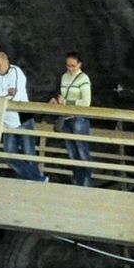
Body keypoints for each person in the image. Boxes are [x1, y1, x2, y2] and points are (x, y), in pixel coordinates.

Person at [0, 50, 46, 181]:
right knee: (8, 155)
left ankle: (33, 180)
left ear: (6, 61)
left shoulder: (16, 72)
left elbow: (14, 94)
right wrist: (5, 92)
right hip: (6, 121)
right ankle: (37, 179)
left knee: (29, 153)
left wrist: (0, 93)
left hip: (22, 118)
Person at [52, 51, 93, 189]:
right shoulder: (64, 77)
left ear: (80, 64)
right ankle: (78, 182)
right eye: (68, 65)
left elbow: (86, 102)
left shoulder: (84, 79)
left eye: (73, 66)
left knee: (82, 152)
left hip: (79, 119)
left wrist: (67, 102)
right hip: (66, 118)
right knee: (72, 153)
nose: (70, 68)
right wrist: (57, 100)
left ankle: (86, 184)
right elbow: (62, 95)